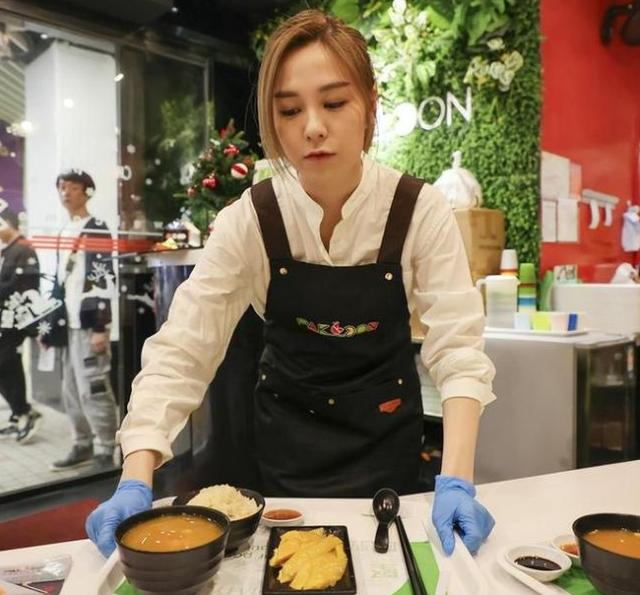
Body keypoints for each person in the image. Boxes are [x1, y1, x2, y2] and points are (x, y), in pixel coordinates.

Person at [87, 10, 497, 558]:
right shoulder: (250, 220)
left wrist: (457, 480)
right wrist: (135, 477)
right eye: (290, 109)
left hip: (388, 462)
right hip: (285, 463)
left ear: (370, 105)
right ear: (273, 122)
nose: (313, 127)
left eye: (334, 103)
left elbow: (459, 349)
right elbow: (183, 350)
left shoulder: (419, 209)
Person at [47, 169, 119, 471]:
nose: (66, 192)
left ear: (86, 192)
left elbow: (102, 280)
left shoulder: (96, 229)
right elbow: (59, 283)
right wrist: (48, 327)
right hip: (68, 325)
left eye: (73, 187)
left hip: (89, 326)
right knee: (71, 389)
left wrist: (100, 327)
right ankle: (83, 443)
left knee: (94, 386)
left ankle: (106, 448)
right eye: (62, 187)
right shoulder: (65, 231)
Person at [0, 208, 42, 443]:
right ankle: (19, 413)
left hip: (17, 321)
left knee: (8, 364)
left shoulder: (24, 249)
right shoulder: (8, 251)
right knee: (6, 366)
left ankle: (25, 412)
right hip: (5, 321)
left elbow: (25, 286)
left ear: (8, 223)